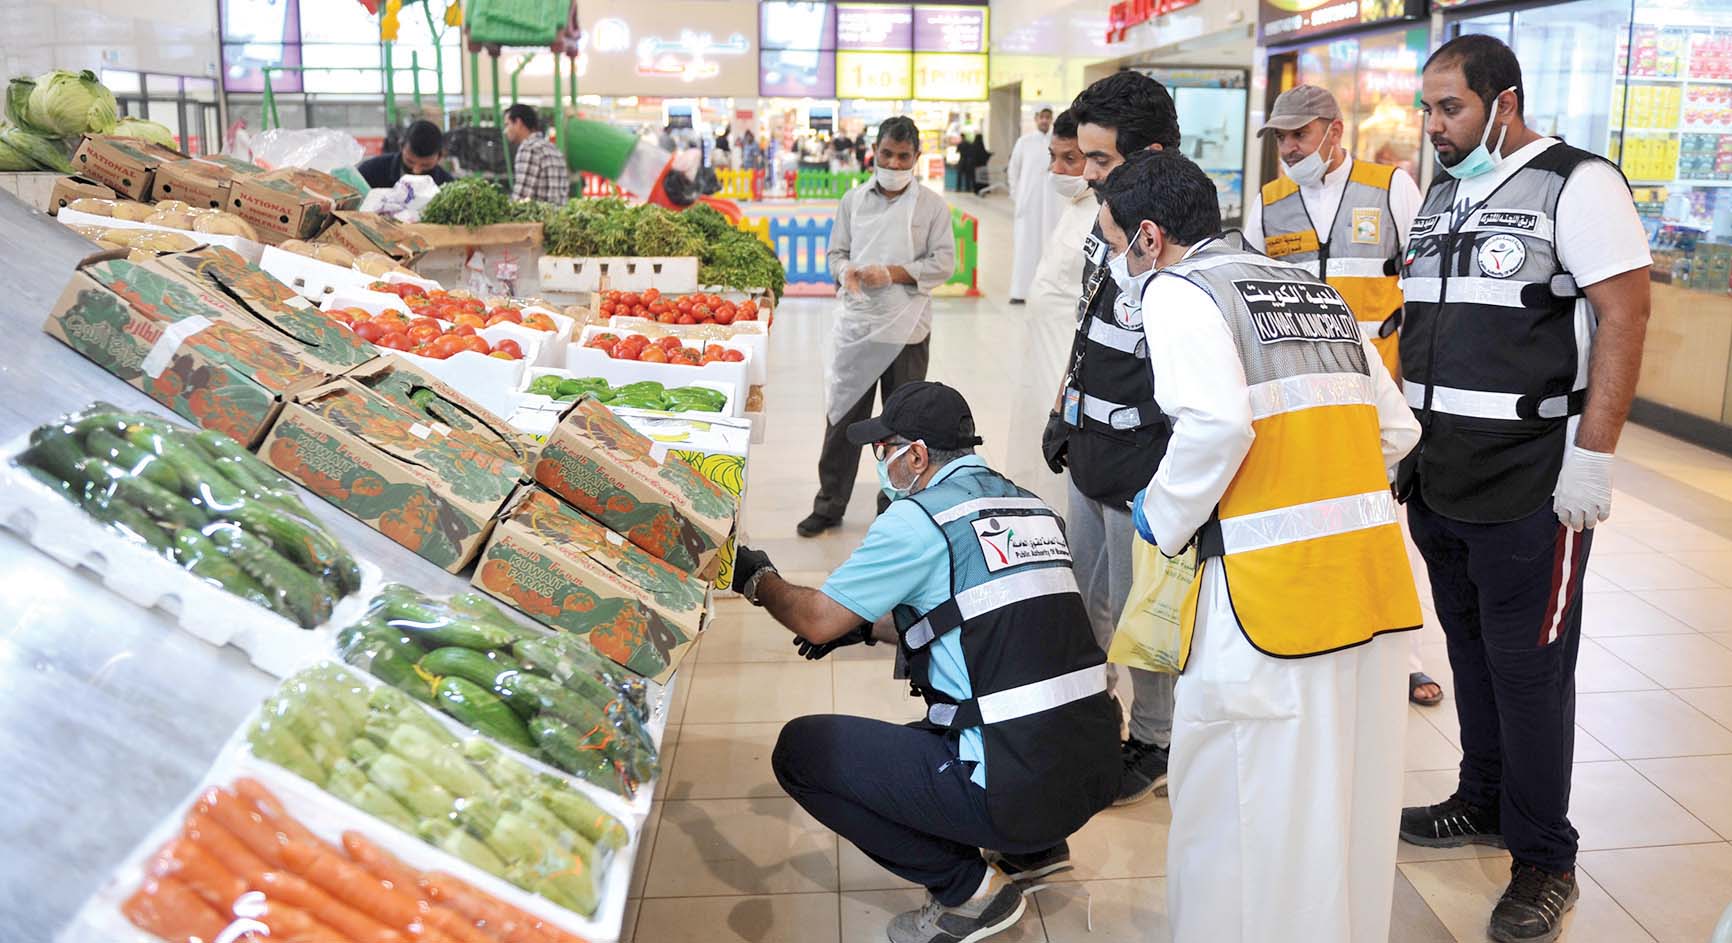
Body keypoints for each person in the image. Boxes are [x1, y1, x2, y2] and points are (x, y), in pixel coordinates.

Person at [1099, 148, 1423, 943]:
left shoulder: (1182, 290)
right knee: (1342, 810)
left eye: (1111, 240)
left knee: (1238, 813)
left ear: (1149, 237)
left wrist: (1164, 515)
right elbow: (1397, 429)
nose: (1112, 260)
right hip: (1366, 590)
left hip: (1265, 605)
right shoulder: (1308, 287)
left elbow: (1215, 426)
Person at [1397, 35, 1652, 943]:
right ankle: (1484, 797)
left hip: (1531, 479)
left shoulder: (1577, 184)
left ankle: (1546, 858)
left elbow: (1625, 311)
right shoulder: (1441, 195)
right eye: (1426, 108)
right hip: (1441, 476)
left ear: (1504, 101)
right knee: (1468, 651)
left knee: (1531, 670)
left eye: (1451, 108)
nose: (1434, 127)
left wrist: (1597, 453)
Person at [736, 381, 1120, 943]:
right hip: (1090, 769)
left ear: (915, 454)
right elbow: (977, 619)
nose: (880, 463)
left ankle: (970, 893)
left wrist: (758, 579)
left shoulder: (920, 518)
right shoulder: (1029, 505)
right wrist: (866, 627)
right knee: (1007, 707)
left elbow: (815, 617)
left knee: (805, 751)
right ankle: (1035, 851)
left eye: (882, 450)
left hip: (1015, 786)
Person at [1243, 84, 1444, 707]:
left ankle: (1403, 655)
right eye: (1280, 137)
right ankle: (1311, 628)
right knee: (1303, 514)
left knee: (1381, 517)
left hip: (1375, 390)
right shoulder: (1270, 204)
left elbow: (1427, 285)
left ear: (1334, 131)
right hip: (1297, 394)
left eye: (1299, 135)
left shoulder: (1391, 188)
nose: (1288, 148)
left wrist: (1415, 381)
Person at [1041, 70, 1182, 804]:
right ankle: (1096, 717)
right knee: (1091, 600)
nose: (1087, 175)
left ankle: (1156, 738)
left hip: (1147, 467)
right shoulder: (1110, 225)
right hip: (1090, 447)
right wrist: (1065, 407)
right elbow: (1090, 324)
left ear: (1149, 152)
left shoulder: (1185, 240)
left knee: (1145, 612)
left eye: (1100, 161)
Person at [799, 116, 957, 538]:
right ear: (874, 152)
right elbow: (836, 253)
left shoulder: (931, 207)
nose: (893, 162)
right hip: (857, 328)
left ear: (916, 159)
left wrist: (894, 273)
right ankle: (829, 504)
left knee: (902, 427)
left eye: (903, 156)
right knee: (843, 419)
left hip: (907, 332)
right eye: (887, 153)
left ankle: (894, 509)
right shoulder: (854, 201)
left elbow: (943, 264)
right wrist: (846, 270)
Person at [1027, 111, 1096, 327]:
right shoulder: (1076, 201)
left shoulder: (1104, 217)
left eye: (1069, 158)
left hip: (1066, 345)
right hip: (1044, 338)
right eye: (1052, 157)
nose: (1055, 169)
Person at [1006, 107, 1055, 304]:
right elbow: (1013, 171)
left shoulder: (1056, 141)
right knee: (1025, 248)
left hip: (1052, 206)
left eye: (1047, 117)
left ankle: (1046, 294)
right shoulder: (1024, 142)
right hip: (1028, 206)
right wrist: (1018, 197)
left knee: (1050, 247)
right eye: (1041, 117)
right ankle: (1020, 292)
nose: (1044, 120)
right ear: (1035, 119)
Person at [356, 119, 454, 188]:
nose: (416, 171)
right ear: (401, 147)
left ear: (440, 156)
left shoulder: (448, 186)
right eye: (410, 161)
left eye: (426, 165)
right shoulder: (371, 171)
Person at [504, 104, 570, 204]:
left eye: (507, 124)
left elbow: (521, 199)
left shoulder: (529, 148)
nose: (505, 131)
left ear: (518, 122)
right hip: (560, 217)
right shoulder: (553, 149)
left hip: (539, 219)